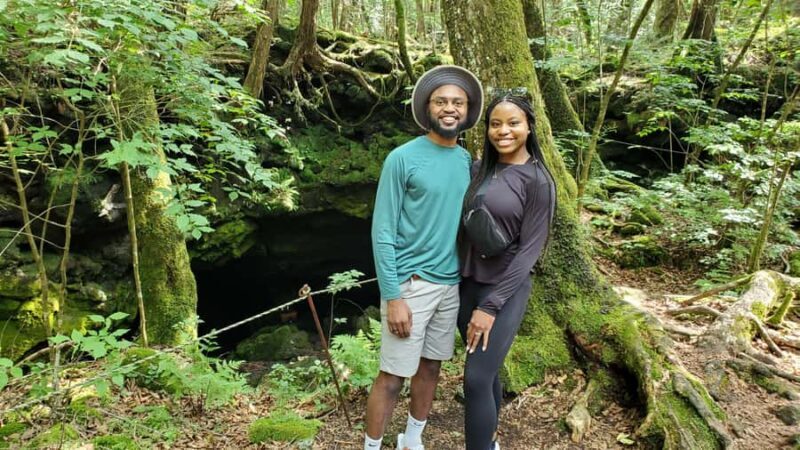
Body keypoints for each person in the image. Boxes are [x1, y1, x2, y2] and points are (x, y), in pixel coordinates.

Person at [365, 65, 484, 450]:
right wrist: (394, 296)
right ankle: (371, 446)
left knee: (431, 366)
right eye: (441, 101)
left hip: (450, 284)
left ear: (466, 111)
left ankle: (411, 439)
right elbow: (382, 231)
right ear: (427, 108)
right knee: (392, 376)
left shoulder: (468, 162)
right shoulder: (402, 158)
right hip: (410, 285)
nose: (449, 108)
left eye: (457, 102)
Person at [458, 93, 556, 450]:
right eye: (495, 123)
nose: (503, 131)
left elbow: (530, 251)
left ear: (529, 127)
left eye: (513, 123)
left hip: (503, 291)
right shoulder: (480, 169)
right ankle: (492, 439)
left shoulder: (538, 181)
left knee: (475, 379)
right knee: (489, 372)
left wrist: (491, 306)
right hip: (467, 284)